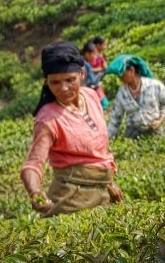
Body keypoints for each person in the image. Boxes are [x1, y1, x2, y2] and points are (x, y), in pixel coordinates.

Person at [21, 41, 125, 217]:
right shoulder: (48, 119)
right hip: (70, 199)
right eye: (55, 82)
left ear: (82, 74)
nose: (63, 88)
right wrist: (35, 191)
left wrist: (108, 183)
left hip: (103, 192)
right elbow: (32, 164)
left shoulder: (91, 97)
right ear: (47, 81)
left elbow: (99, 152)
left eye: (70, 80)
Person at [104, 55, 165, 139]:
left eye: (122, 75)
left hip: (155, 133)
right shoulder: (121, 94)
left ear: (131, 71)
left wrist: (160, 120)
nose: (120, 78)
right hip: (132, 136)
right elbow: (115, 120)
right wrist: (106, 140)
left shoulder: (154, 85)